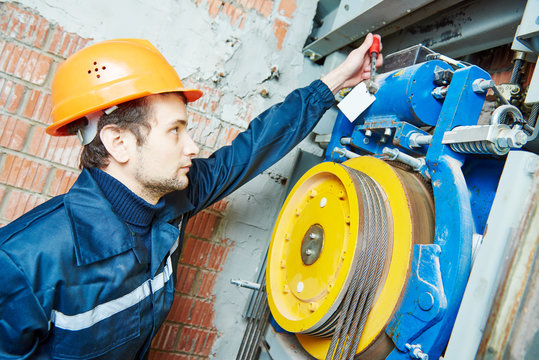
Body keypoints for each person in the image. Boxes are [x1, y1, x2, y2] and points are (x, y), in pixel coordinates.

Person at [0, 34, 382, 358]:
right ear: (118, 142)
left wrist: (333, 83)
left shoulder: (169, 199)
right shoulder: (23, 263)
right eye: (175, 131)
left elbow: (248, 152)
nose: (192, 147)